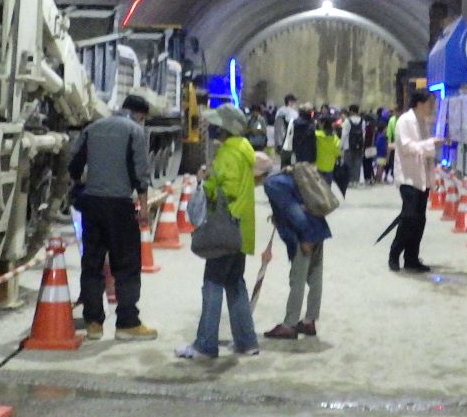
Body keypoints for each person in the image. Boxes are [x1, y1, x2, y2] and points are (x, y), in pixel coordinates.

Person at [68, 94, 158, 340]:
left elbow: (73, 165)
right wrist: (144, 209)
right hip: (119, 206)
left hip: (92, 204)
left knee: (92, 263)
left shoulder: (92, 128)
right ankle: (127, 324)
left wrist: (85, 185)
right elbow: (140, 173)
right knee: (127, 265)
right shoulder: (134, 132)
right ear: (139, 115)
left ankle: (94, 324)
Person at [176, 104, 261, 359]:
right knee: (235, 283)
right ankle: (247, 342)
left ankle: (205, 344)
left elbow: (227, 189)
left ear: (224, 128)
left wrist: (206, 179)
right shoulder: (244, 151)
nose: (212, 128)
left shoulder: (228, 154)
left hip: (225, 228)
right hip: (240, 228)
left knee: (212, 283)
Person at [259, 152, 332, 340]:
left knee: (297, 278)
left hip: (304, 233)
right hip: (318, 226)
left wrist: (305, 237)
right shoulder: (285, 177)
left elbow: (295, 213)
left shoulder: (271, 184)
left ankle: (289, 325)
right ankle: (309, 321)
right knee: (315, 274)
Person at [389, 89, 440, 272]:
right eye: (429, 103)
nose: (432, 107)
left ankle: (411, 257)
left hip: (422, 179)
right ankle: (394, 254)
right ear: (419, 103)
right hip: (408, 177)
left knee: (419, 220)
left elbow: (427, 154)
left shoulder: (423, 123)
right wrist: (430, 144)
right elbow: (406, 147)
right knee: (409, 217)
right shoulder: (405, 121)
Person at [340, 104, 365, 189]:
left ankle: (349, 181)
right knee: (357, 163)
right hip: (359, 145)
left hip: (348, 146)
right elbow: (363, 134)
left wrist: (341, 146)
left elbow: (344, 134)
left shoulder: (347, 121)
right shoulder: (363, 121)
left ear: (350, 111)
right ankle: (356, 181)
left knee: (348, 163)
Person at [315, 116, 341, 192]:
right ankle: (327, 201)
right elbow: (337, 152)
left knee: (318, 186)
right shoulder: (335, 138)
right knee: (327, 187)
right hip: (329, 166)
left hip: (318, 164)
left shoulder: (317, 135)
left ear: (323, 124)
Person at [274, 94, 298, 168]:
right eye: (293, 101)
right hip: (286, 140)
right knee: (286, 163)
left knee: (286, 162)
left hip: (286, 140)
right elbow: (280, 129)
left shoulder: (281, 111)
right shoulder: (286, 112)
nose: (294, 103)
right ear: (290, 102)